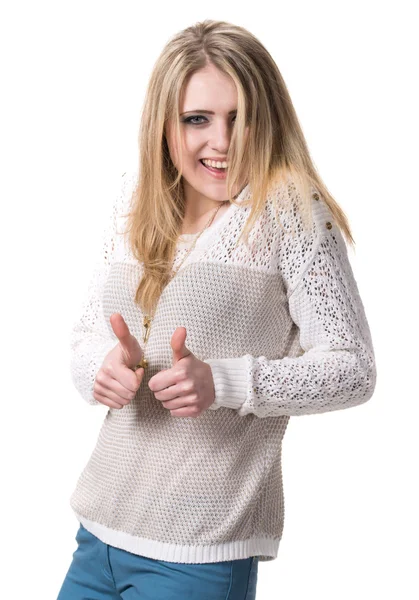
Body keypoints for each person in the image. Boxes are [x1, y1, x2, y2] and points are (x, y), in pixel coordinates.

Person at [57, 19, 377, 600]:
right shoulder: (136, 202)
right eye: (197, 119)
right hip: (98, 533)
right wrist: (102, 366)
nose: (223, 142)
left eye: (242, 118)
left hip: (199, 552)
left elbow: (353, 367)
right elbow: (84, 333)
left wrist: (225, 382)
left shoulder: (290, 212)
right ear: (165, 124)